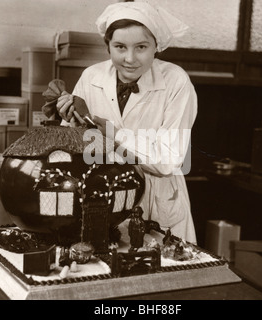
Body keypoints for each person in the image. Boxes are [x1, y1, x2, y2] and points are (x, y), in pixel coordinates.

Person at [55, 2, 198, 243]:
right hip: (102, 196)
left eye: (141, 47)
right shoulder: (92, 76)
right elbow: (74, 147)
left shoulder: (176, 81)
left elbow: (168, 160)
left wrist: (114, 134)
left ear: (156, 47)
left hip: (156, 201)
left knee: (159, 270)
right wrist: (68, 120)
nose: (129, 58)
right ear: (108, 46)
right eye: (120, 47)